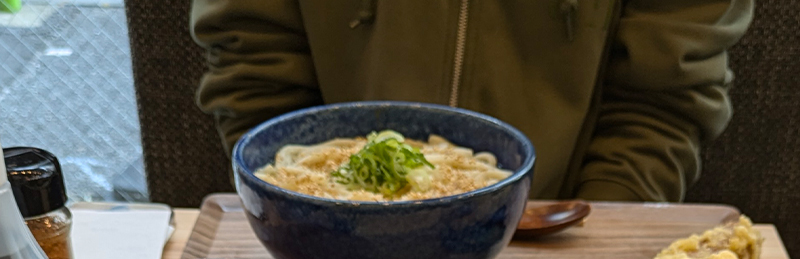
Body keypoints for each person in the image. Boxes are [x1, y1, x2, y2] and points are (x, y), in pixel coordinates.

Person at [190, 0, 753, 203]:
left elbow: (664, 99)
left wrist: (594, 224)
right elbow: (253, 58)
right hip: (321, 246)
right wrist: (302, 207)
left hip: (559, 227)